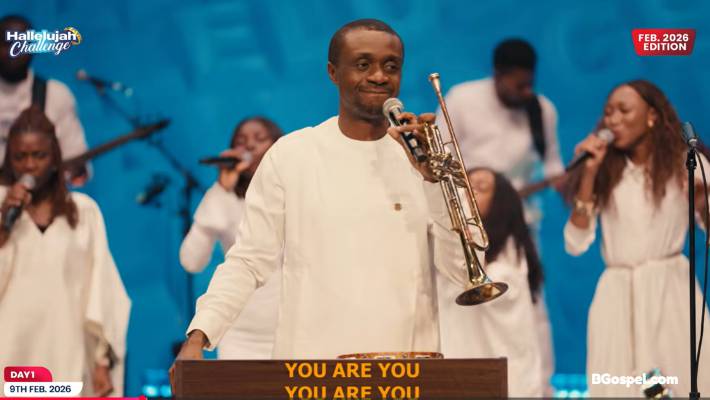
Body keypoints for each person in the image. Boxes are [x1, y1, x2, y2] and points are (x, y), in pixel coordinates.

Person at [170, 18, 468, 380]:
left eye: (391, 66)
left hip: (405, 369)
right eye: (363, 64)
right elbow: (248, 260)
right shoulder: (292, 155)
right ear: (333, 72)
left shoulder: (427, 160)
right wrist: (199, 336)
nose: (379, 76)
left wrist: (433, 181)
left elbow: (463, 273)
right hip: (310, 370)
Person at [563, 80, 710, 396]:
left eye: (624, 110)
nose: (613, 119)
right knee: (619, 386)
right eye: (608, 113)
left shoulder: (685, 162)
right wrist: (589, 173)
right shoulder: (604, 170)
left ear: (652, 116)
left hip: (670, 292)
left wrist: (702, 203)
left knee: (684, 380)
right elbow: (575, 243)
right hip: (618, 296)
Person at [436, 38, 559, 393]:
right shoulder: (462, 99)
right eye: (517, 84)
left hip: (517, 226)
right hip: (466, 224)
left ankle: (536, 389)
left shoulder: (542, 109)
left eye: (529, 84)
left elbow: (552, 167)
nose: (525, 92)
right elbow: (440, 159)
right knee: (461, 306)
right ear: (497, 74)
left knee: (529, 308)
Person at [0, 106, 130, 396]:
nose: (29, 165)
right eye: (20, 156)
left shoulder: (84, 212)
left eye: (39, 155)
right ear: (9, 159)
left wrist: (101, 361)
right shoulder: (2, 207)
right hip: (8, 356)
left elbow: (101, 289)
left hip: (65, 354)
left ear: (55, 157)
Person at [179, 116, 283, 359]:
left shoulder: (290, 195)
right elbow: (191, 262)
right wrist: (221, 189)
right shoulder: (223, 199)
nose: (249, 146)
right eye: (241, 141)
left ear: (277, 145)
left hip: (291, 328)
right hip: (240, 335)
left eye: (259, 139)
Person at [437, 167, 545, 397]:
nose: (470, 193)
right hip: (458, 360)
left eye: (481, 188)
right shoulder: (444, 238)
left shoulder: (512, 252)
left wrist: (469, 246)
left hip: (502, 371)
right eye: (466, 186)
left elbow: (500, 290)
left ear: (500, 202)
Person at [0, 15, 89, 183]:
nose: (14, 51)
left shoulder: (56, 94)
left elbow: (75, 162)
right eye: (7, 44)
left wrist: (74, 172)